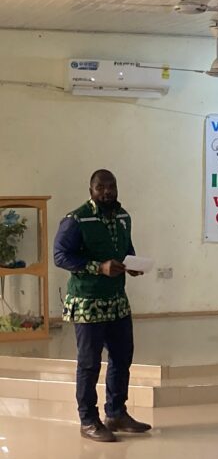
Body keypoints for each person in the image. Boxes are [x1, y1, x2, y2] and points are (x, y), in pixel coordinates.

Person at [54, 169, 151, 442]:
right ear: (91, 190)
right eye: (101, 187)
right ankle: (88, 421)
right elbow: (60, 256)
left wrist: (131, 264)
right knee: (89, 363)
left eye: (112, 186)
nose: (107, 191)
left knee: (122, 357)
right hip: (87, 301)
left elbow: (126, 249)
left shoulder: (123, 217)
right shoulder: (76, 219)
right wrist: (99, 267)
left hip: (117, 300)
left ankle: (116, 413)